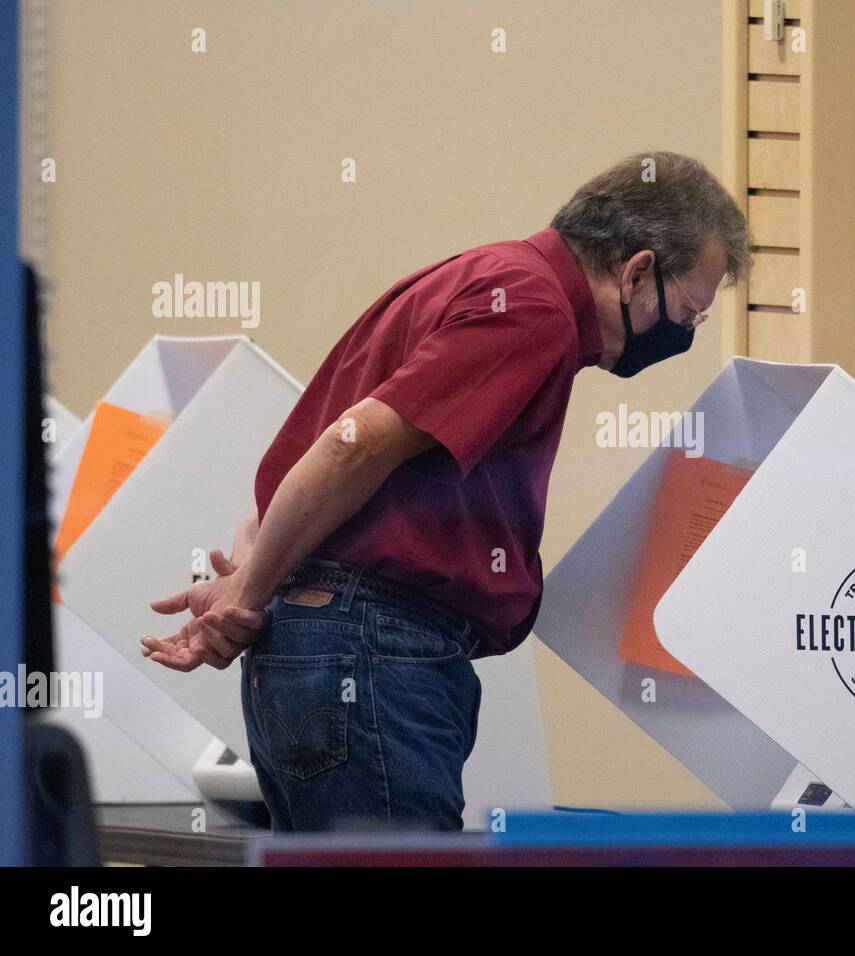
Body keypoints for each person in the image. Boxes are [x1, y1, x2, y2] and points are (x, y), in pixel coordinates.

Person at [139, 151, 752, 831]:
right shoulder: (533, 310)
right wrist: (243, 597)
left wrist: (248, 590)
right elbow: (356, 444)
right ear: (638, 270)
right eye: (690, 313)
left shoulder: (479, 275)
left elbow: (298, 466)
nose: (683, 334)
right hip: (372, 654)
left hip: (322, 647)